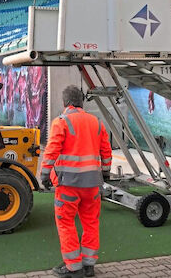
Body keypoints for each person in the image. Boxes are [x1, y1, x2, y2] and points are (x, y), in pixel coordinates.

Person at [40, 85, 112, 278]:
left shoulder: (61, 122)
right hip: (92, 186)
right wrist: (105, 173)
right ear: (81, 102)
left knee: (66, 223)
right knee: (90, 223)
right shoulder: (96, 122)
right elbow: (106, 150)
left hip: (68, 186)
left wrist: (45, 174)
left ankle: (73, 267)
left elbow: (52, 150)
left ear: (65, 103)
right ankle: (88, 266)